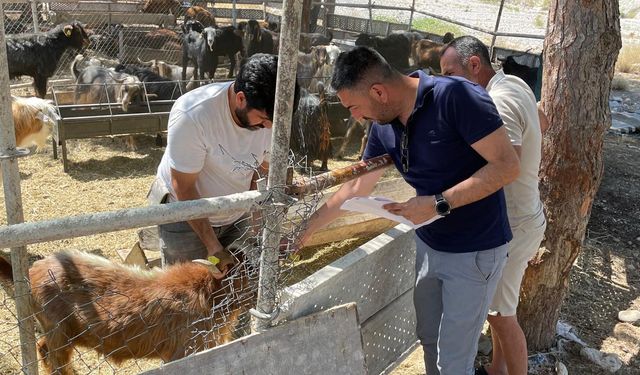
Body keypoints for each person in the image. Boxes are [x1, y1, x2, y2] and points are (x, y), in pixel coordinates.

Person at [297, 46, 520, 375]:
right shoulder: (383, 126)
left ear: (378, 92)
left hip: (475, 250)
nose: (355, 117)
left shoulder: (456, 97)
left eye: (354, 107)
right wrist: (306, 229)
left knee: (454, 360)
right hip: (428, 243)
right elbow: (357, 186)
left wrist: (436, 203)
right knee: (428, 337)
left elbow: (507, 167)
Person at [440, 36, 547, 375]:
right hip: (526, 215)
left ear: (474, 65)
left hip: (513, 224)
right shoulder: (513, 83)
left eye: (449, 72)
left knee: (501, 316)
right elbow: (542, 122)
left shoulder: (497, 103)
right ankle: (497, 369)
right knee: (500, 308)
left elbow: (507, 166)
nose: (445, 82)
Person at [149, 53, 299, 271]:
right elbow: (183, 186)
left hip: (236, 212)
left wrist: (258, 231)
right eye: (264, 120)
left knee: (235, 289)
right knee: (185, 295)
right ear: (240, 99)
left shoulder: (272, 119)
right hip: (185, 216)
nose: (269, 128)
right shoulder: (193, 115)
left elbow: (261, 171)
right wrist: (213, 247)